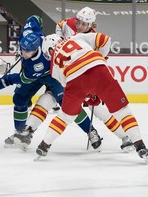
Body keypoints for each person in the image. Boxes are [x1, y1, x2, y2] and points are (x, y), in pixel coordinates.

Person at [35, 32, 148, 163]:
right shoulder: (75, 37)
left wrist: (88, 96)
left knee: (65, 116)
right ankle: (140, 145)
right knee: (123, 111)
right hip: (98, 68)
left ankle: (44, 145)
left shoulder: (53, 66)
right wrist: (102, 59)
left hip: (74, 77)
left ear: (49, 49)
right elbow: (105, 39)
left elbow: (69, 85)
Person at [0, 32, 102, 151]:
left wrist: (4, 81)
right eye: (22, 49)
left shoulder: (36, 65)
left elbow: (22, 78)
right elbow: (36, 19)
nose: (23, 53)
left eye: (27, 51)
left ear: (35, 49)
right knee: (19, 98)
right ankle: (20, 133)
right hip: (35, 74)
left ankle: (91, 131)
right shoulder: (38, 41)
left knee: (68, 104)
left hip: (52, 75)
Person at [56, 6, 134, 151]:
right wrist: (60, 39)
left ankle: (124, 137)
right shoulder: (69, 24)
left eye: (84, 24)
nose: (80, 26)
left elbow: (99, 61)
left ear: (91, 25)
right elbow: (60, 26)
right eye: (78, 22)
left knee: (100, 112)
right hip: (68, 76)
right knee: (65, 109)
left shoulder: (94, 38)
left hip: (85, 78)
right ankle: (91, 132)